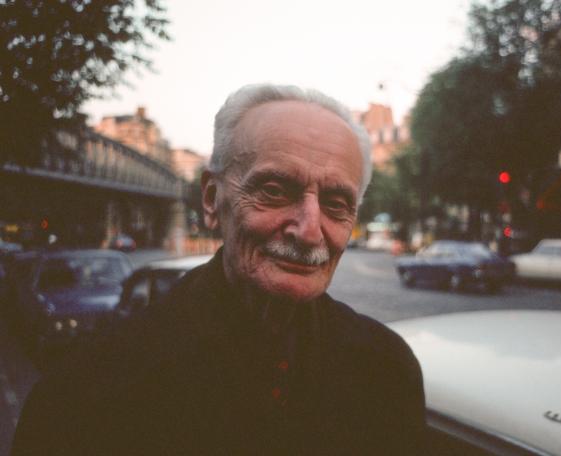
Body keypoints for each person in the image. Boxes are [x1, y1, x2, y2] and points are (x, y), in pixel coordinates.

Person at [12, 84, 426, 455]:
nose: (310, 230)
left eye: (336, 203)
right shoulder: (89, 393)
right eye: (275, 190)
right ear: (212, 199)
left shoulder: (386, 371)